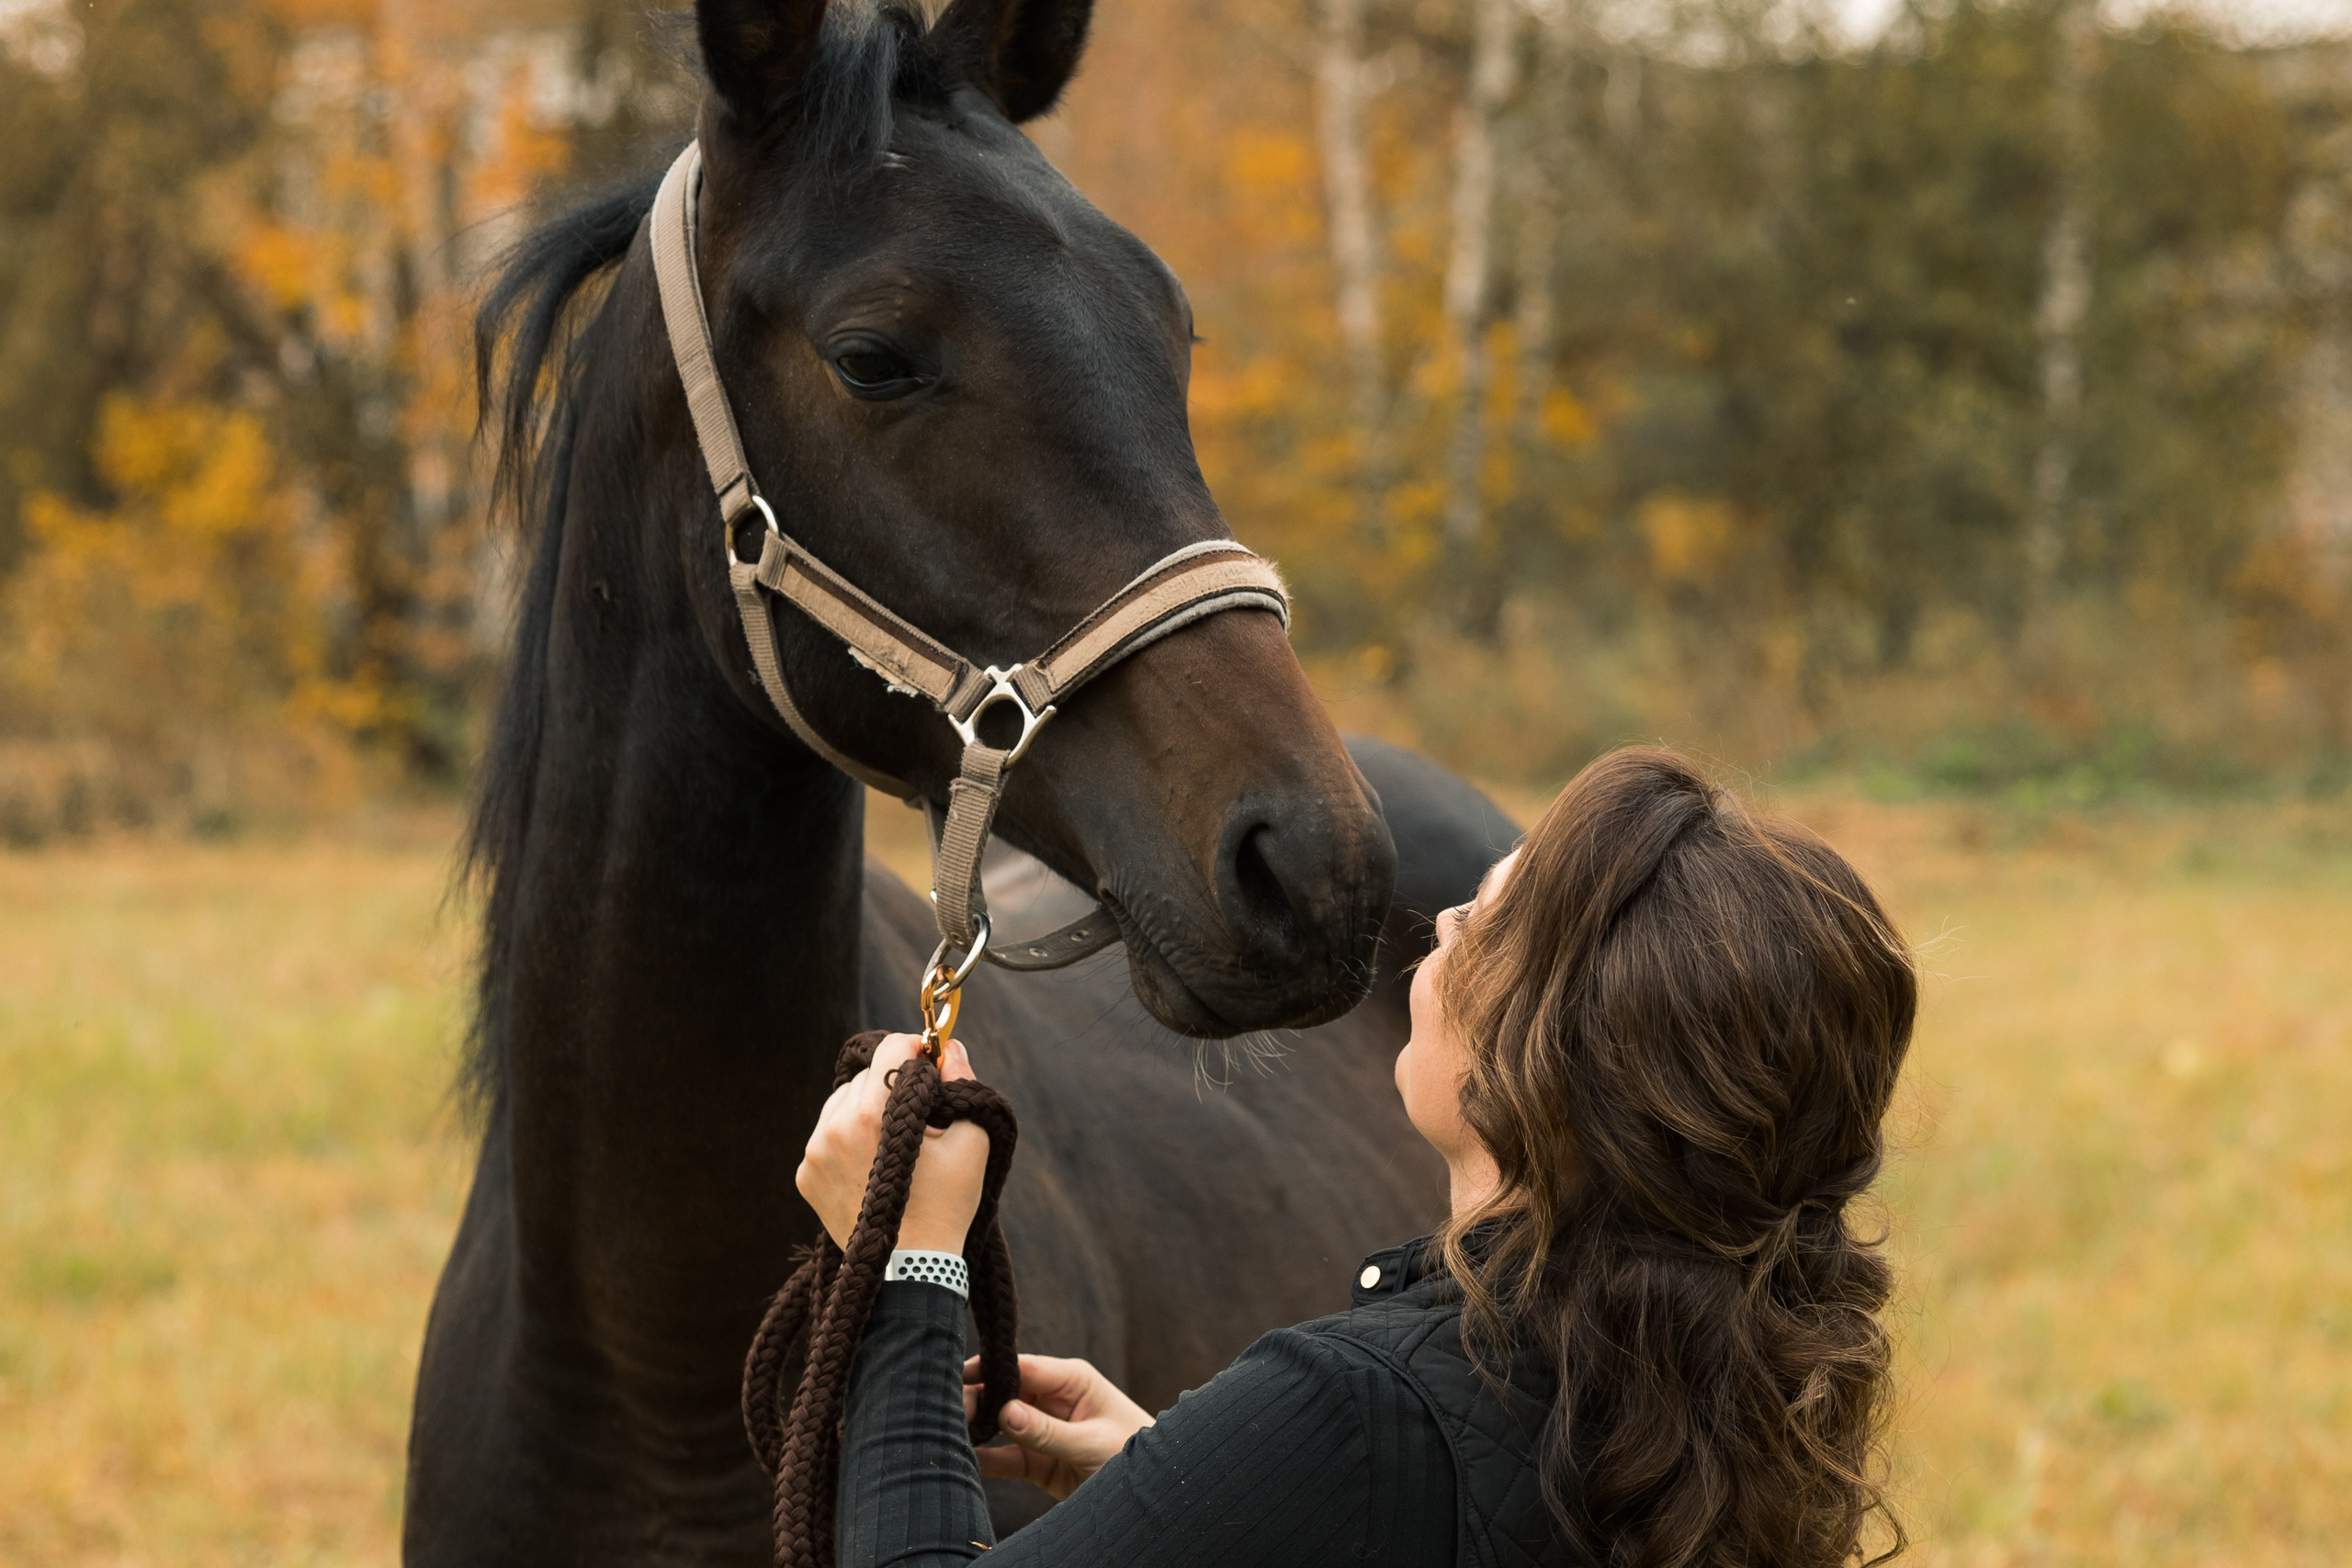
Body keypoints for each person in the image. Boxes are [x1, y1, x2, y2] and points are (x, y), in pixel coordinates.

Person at [797, 746, 1916, 1567]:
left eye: (1478, 924)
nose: (1432, 938)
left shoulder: (1358, 1408)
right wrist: (1185, 1487)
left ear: (1556, 1063)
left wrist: (908, 1264)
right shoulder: (1685, 1393)